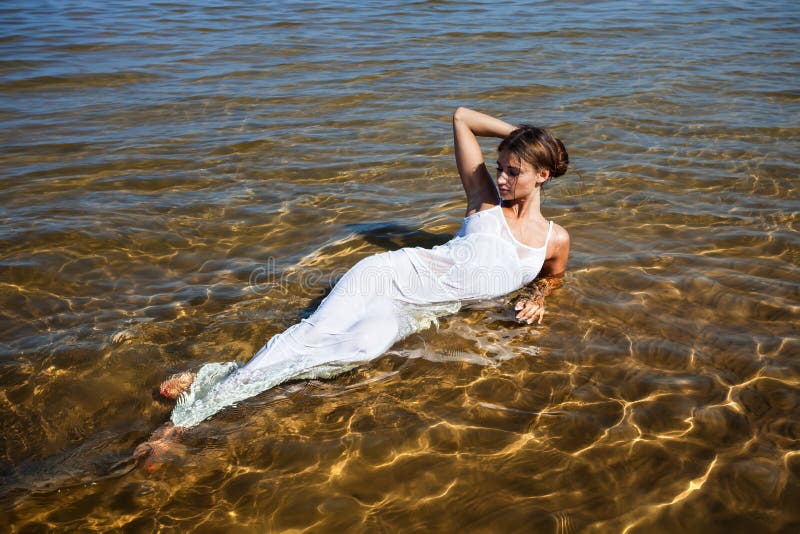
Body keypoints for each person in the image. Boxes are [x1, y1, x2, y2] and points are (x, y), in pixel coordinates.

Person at [133, 107, 570, 466]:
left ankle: (214, 378)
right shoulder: (485, 201)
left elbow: (553, 278)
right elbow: (461, 117)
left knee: (349, 355)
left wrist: (537, 296)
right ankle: (173, 429)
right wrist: (525, 136)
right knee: (308, 340)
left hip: (411, 312)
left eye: (514, 171)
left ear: (543, 176)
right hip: (386, 277)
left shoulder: (554, 239)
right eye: (500, 167)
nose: (503, 178)